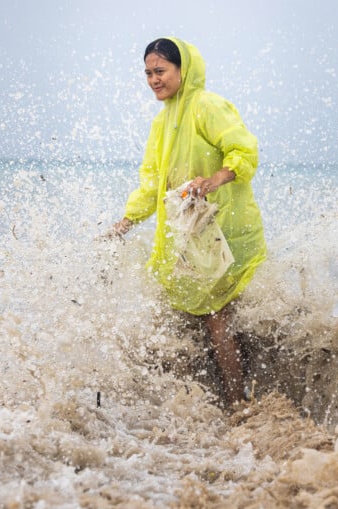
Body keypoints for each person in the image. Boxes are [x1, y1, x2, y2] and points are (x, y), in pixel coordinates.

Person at [108, 37, 266, 407]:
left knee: (217, 317)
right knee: (182, 317)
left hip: (225, 230)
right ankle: (192, 405)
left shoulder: (208, 106)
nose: (153, 80)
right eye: (148, 73)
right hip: (188, 237)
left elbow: (243, 150)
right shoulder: (162, 123)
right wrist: (126, 222)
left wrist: (214, 181)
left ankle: (237, 405)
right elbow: (152, 184)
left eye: (160, 71)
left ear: (183, 70)